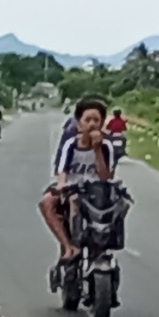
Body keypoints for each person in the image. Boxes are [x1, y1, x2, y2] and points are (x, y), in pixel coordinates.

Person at [40, 97, 117, 273]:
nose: (91, 124)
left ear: (102, 123)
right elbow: (62, 171)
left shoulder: (107, 146)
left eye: (96, 120)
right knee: (47, 203)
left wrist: (97, 150)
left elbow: (106, 176)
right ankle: (69, 246)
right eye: (87, 120)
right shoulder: (71, 144)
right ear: (79, 123)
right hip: (72, 189)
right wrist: (61, 186)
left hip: (97, 192)